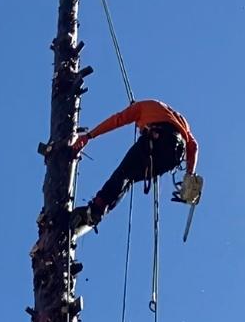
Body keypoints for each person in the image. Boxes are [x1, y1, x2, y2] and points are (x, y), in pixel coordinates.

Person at [68, 98, 200, 235]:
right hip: (172, 158)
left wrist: (89, 136)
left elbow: (117, 119)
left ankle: (95, 211)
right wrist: (189, 174)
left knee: (123, 174)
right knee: (127, 179)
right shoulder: (180, 120)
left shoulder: (142, 106)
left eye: (138, 126)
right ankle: (96, 212)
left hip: (156, 140)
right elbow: (194, 146)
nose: (138, 128)